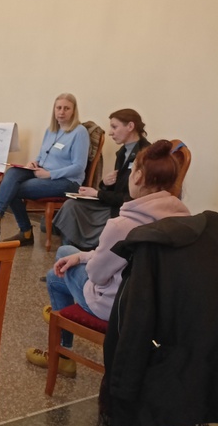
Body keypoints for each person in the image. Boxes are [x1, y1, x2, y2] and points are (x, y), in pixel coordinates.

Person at [26, 140, 190, 378]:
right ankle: (60, 309)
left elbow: (96, 275)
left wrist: (83, 262)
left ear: (139, 177)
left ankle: (62, 354)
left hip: (116, 307)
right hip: (154, 307)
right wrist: (82, 256)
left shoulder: (122, 225)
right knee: (66, 253)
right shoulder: (182, 219)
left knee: (55, 275)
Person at [0, 93, 89, 246]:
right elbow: (43, 155)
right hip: (43, 173)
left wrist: (49, 174)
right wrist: (34, 162)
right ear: (54, 110)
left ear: (74, 111)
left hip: (67, 181)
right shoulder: (51, 130)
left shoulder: (80, 132)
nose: (62, 112)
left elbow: (79, 167)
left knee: (13, 189)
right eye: (59, 108)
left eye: (66, 108)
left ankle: (20, 230)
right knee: (13, 173)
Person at [52, 109, 151, 249]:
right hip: (115, 203)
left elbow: (131, 199)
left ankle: (72, 251)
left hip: (125, 210)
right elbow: (118, 188)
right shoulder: (122, 153)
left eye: (114, 127)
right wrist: (104, 184)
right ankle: (69, 251)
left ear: (130, 126)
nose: (110, 132)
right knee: (71, 205)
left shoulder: (146, 155)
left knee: (74, 209)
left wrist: (98, 193)